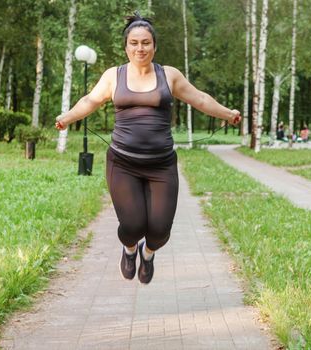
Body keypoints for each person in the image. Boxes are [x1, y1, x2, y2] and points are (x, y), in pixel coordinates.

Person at [55, 12, 241, 284]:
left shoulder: (169, 75)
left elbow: (199, 98)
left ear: (154, 46)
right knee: (132, 225)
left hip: (161, 165)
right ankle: (130, 249)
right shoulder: (113, 76)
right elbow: (90, 100)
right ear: (126, 46)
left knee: (160, 230)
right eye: (134, 43)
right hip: (123, 163)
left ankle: (148, 252)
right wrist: (66, 117)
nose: (139, 48)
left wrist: (228, 113)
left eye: (145, 43)